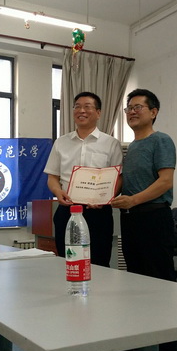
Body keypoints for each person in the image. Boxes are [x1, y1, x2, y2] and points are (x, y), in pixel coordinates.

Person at [111, 88, 177, 351]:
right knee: (135, 286)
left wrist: (133, 200)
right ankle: (138, 343)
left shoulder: (161, 140)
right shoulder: (130, 148)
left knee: (160, 287)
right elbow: (121, 183)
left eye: (138, 107)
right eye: (129, 108)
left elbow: (165, 182)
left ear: (154, 112)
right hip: (131, 220)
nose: (132, 112)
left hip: (154, 218)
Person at [44, 92, 123, 271]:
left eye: (87, 107)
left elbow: (118, 178)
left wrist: (105, 198)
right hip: (67, 210)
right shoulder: (61, 142)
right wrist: (58, 192)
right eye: (77, 107)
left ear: (98, 113)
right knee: (67, 261)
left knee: (99, 263)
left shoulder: (111, 143)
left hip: (98, 213)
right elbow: (52, 177)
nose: (81, 111)